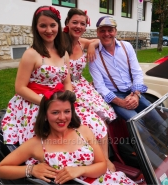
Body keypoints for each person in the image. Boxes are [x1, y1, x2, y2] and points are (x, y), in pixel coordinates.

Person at [0, 90, 137, 185]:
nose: (62, 118)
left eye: (67, 111)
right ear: (45, 115)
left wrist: (80, 170)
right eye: (55, 112)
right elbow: (1, 169)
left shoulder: (84, 131)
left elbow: (101, 165)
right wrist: (31, 169)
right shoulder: (37, 143)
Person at [1, 6, 72, 145]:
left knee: (89, 124)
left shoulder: (64, 53)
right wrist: (47, 103)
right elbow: (20, 88)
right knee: (48, 137)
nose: (49, 30)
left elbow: (67, 82)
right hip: (36, 102)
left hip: (60, 101)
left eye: (53, 25)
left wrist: (68, 100)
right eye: (43, 26)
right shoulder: (31, 54)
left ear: (58, 25)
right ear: (36, 27)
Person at [89, 16, 166, 131]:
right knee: (138, 126)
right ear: (97, 33)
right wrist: (120, 102)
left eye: (110, 30)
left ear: (115, 31)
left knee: (158, 120)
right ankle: (149, 148)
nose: (106, 34)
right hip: (115, 96)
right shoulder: (94, 55)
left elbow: (137, 72)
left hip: (132, 92)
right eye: (102, 30)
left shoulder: (127, 47)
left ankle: (167, 143)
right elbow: (100, 86)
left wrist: (136, 95)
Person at [63, 9, 117, 171]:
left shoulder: (81, 42)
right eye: (75, 22)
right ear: (67, 23)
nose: (79, 26)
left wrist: (92, 45)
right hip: (66, 88)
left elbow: (97, 41)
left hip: (82, 85)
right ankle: (102, 160)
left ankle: (105, 155)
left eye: (82, 23)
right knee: (91, 122)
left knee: (105, 112)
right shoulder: (59, 42)